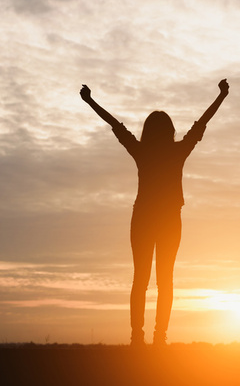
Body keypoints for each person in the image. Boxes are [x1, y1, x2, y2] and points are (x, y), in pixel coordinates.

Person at [80, 79, 230, 347]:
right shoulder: (177, 151)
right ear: (170, 130)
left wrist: (90, 101)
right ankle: (159, 337)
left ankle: (138, 337)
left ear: (147, 131)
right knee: (165, 280)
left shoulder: (142, 150)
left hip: (144, 219)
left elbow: (115, 125)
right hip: (170, 220)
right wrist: (221, 96)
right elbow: (201, 123)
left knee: (141, 279)